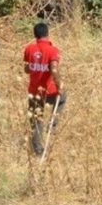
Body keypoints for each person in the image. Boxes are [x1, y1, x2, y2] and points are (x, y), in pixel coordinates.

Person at [23, 22, 64, 157]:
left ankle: (37, 150)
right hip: (50, 90)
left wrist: (35, 66)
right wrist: (59, 85)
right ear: (47, 34)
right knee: (63, 99)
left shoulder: (29, 49)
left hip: (34, 91)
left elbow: (27, 69)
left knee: (36, 119)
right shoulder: (53, 50)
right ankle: (52, 126)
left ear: (35, 35)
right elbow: (54, 68)